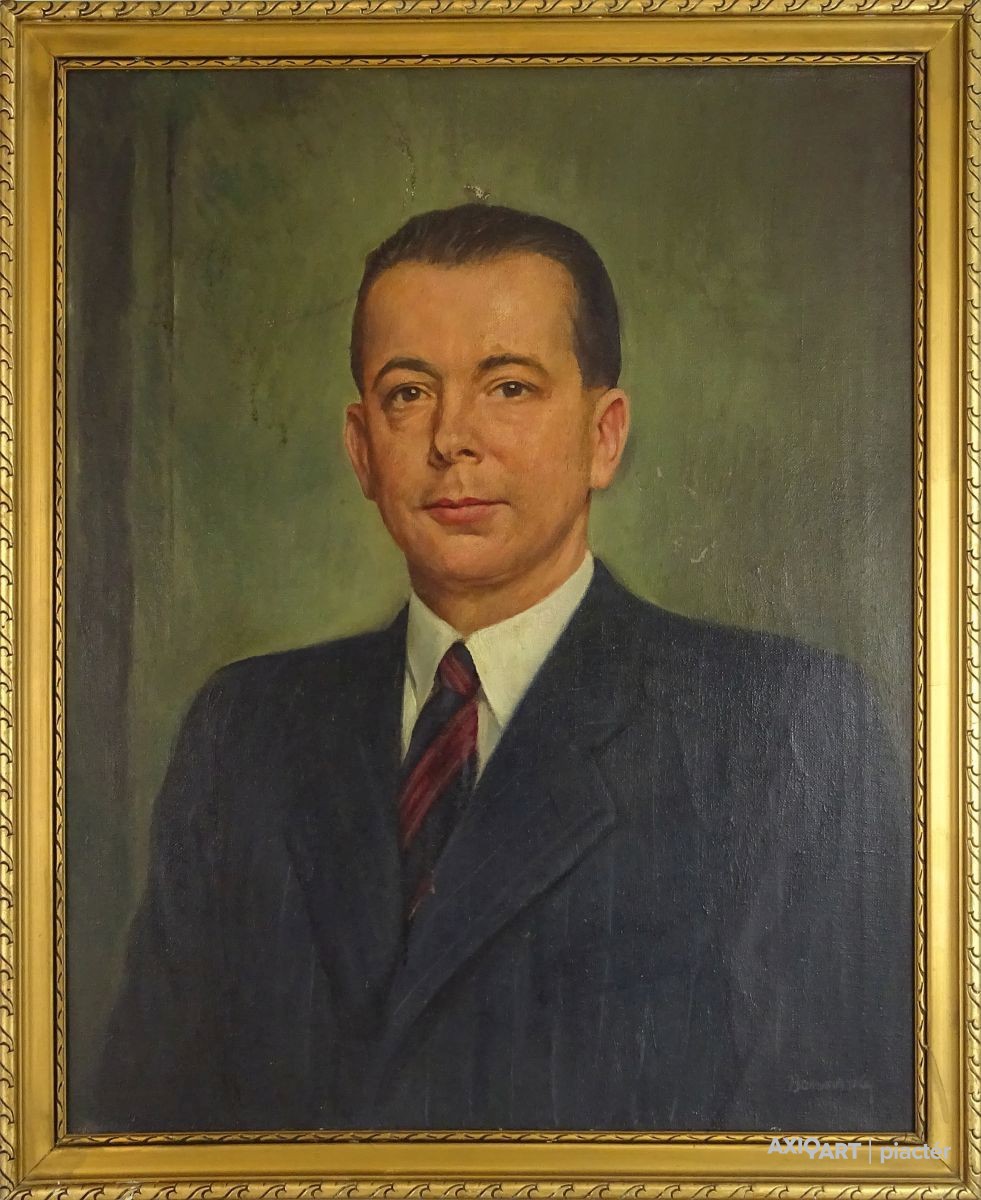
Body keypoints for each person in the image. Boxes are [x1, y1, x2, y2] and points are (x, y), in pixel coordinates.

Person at [95, 203, 912, 1134]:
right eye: (409, 393)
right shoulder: (244, 731)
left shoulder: (779, 726)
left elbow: (844, 1134)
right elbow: (141, 1129)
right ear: (361, 450)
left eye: (509, 387)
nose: (452, 437)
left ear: (603, 436)